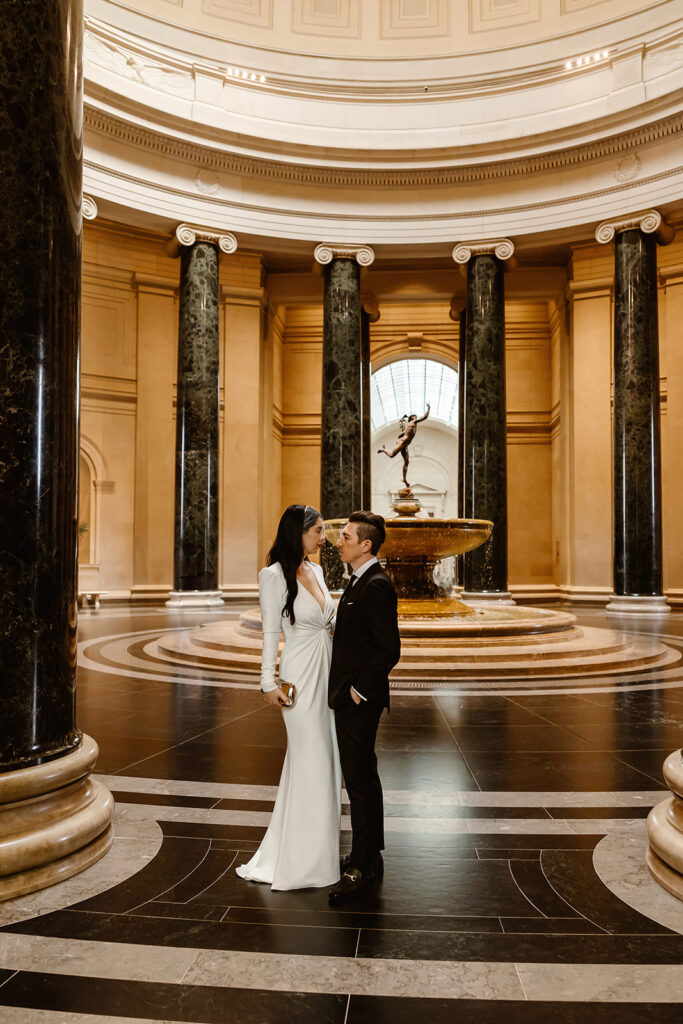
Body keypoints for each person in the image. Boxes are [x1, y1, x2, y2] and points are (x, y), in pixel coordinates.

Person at [236, 504, 341, 890]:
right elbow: (269, 633)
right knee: (309, 757)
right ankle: (301, 863)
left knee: (325, 760)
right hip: (298, 671)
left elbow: (328, 620)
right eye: (318, 531)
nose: (323, 538)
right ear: (297, 532)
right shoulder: (272, 575)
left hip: (326, 668)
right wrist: (268, 681)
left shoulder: (315, 569)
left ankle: (319, 854)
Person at [327, 511, 401, 904]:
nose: (339, 540)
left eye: (346, 535)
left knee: (358, 780)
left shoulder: (375, 585)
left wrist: (358, 691)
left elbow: (390, 649)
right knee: (362, 777)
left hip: (359, 700)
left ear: (365, 544)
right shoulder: (360, 580)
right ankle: (369, 854)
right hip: (350, 697)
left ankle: (361, 864)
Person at [377, 404, 430, 488]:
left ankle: (404, 479)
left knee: (407, 462)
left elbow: (402, 434)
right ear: (411, 419)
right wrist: (428, 408)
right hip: (402, 443)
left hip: (405, 445)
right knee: (391, 455)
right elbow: (425, 417)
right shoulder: (413, 423)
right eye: (414, 417)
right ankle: (384, 450)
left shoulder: (413, 426)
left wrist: (402, 436)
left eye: (415, 417)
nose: (416, 418)